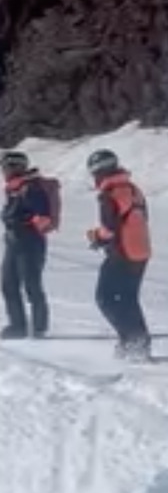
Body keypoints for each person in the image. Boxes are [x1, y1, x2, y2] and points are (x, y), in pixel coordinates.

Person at [85, 149, 153, 360]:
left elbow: (109, 229)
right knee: (128, 298)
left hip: (122, 252)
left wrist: (95, 236)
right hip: (141, 251)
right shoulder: (133, 189)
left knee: (105, 297)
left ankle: (132, 340)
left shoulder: (110, 194)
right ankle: (138, 343)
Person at [0, 151, 58, 339]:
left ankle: (38, 327)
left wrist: (26, 222)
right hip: (14, 242)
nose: (3, 171)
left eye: (6, 167)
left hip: (29, 243)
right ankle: (17, 325)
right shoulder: (15, 188)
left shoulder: (30, 188)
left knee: (31, 285)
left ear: (16, 167)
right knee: (9, 284)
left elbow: (42, 216)